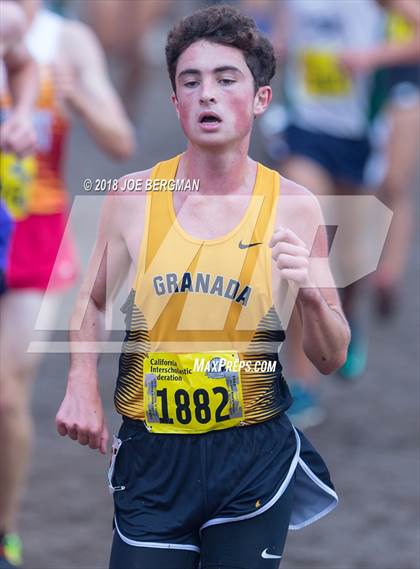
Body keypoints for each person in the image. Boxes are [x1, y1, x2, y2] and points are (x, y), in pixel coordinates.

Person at [56, 6, 349, 569]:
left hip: (252, 455)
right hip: (152, 455)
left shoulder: (294, 207)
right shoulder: (131, 197)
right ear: (175, 102)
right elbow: (92, 299)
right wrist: (80, 385)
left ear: (261, 99)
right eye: (190, 82)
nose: (206, 94)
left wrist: (310, 294)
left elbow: (331, 355)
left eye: (225, 79)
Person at [0, 1, 135, 567]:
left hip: (35, 234)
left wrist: (71, 95)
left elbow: (123, 143)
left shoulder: (66, 39)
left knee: (6, 394)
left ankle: (2, 530)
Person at [272, 0, 420, 427]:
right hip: (305, 131)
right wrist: (277, 44)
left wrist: (372, 57)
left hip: (359, 136)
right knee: (308, 243)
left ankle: (347, 314)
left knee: (352, 261)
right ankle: (301, 383)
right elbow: (280, 29)